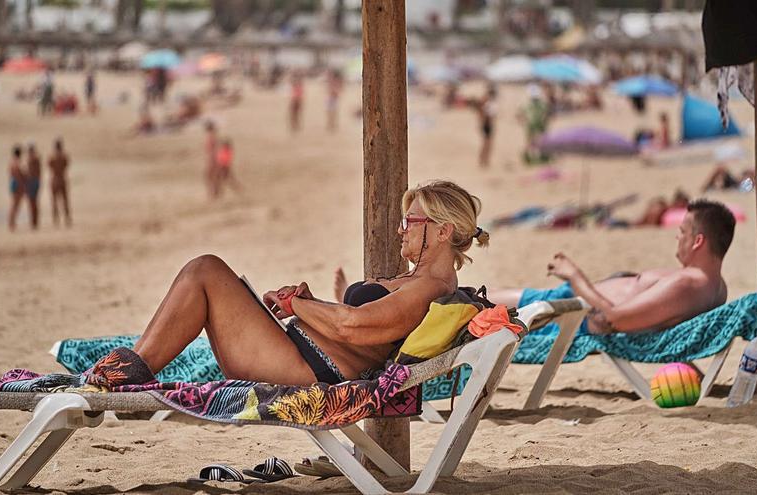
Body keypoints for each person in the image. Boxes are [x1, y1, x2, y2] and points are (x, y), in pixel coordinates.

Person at [131, 180, 489, 385]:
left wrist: (296, 306)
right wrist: (311, 303)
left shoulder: (428, 288)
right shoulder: (419, 281)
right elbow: (361, 327)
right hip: (302, 356)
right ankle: (130, 367)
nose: (400, 229)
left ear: (443, 231)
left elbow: (353, 326)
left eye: (410, 222)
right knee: (207, 275)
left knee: (205, 270)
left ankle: (129, 370)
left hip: (309, 368)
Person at [490, 199, 736, 334]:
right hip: (569, 308)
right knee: (476, 302)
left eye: (682, 232)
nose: (677, 237)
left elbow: (614, 319)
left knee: (473, 304)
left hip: (564, 313)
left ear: (698, 241)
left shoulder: (687, 283)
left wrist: (575, 277)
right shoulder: (717, 288)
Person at [472, 86, 497, 168]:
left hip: (486, 125)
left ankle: (484, 160)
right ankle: (483, 160)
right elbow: (485, 115)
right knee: (487, 144)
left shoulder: (486, 102)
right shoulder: (487, 102)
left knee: (487, 144)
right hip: (486, 125)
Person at [48, 138, 71, 228]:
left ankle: (56, 219)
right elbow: (66, 165)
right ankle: (67, 218)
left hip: (54, 179)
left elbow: (50, 166)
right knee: (65, 200)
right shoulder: (64, 156)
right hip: (62, 179)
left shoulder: (52, 156)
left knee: (55, 201)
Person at [8, 145, 26, 232]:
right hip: (18, 186)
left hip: (13, 184)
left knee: (14, 205)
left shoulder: (12, 162)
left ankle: (12, 222)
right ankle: (12, 223)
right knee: (15, 205)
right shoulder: (18, 163)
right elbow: (20, 175)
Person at [26, 143, 42, 229]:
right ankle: (35, 221)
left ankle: (33, 222)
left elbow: (30, 172)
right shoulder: (37, 158)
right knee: (34, 202)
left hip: (32, 182)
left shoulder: (31, 159)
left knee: (32, 203)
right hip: (36, 181)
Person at [204, 121, 220, 197]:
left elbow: (212, 150)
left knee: (210, 176)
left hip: (212, 159)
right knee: (212, 177)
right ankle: (214, 193)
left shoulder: (211, 137)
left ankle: (212, 193)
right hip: (212, 158)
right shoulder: (212, 136)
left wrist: (212, 159)